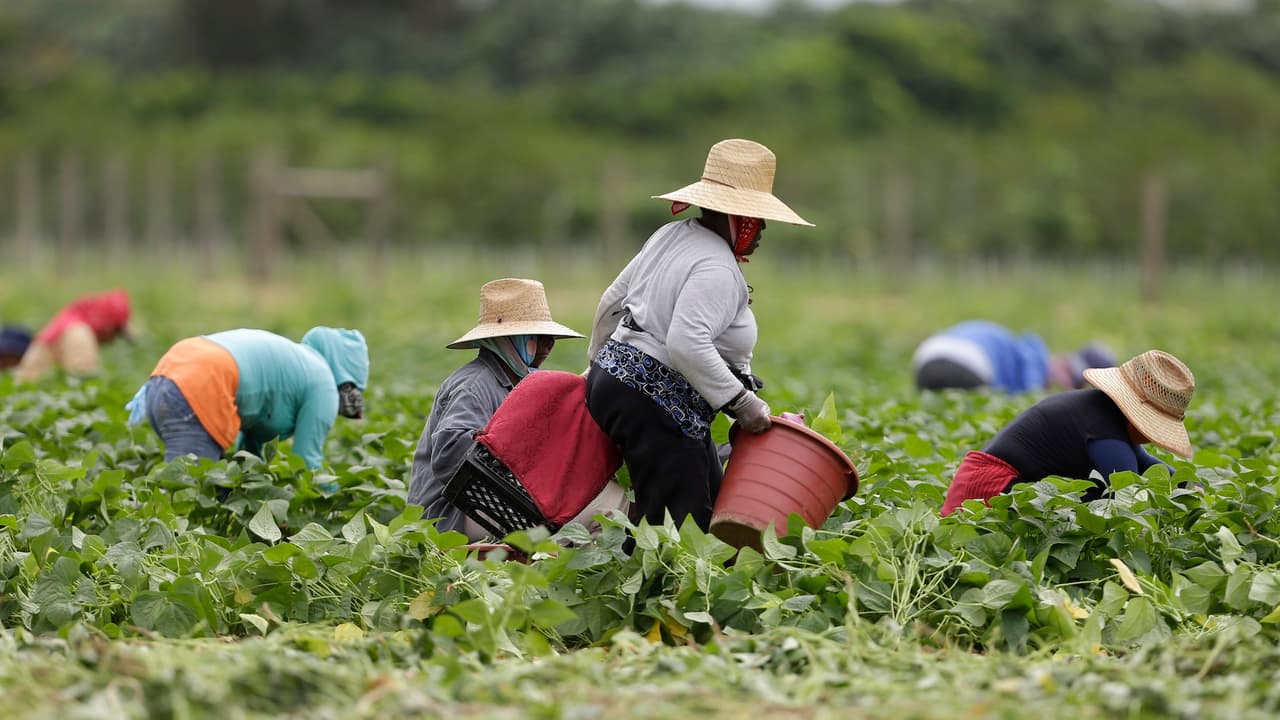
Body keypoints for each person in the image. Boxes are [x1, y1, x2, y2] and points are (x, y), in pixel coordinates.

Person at [585, 138, 813, 531]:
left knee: (708, 503)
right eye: (758, 221)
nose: (761, 233)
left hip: (615, 383)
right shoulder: (718, 268)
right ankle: (657, 589)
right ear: (739, 219)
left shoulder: (670, 235)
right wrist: (744, 404)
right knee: (679, 530)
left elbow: (611, 303)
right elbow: (685, 343)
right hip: (655, 402)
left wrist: (596, 368)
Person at [408, 278, 625, 540]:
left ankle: (555, 571)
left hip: (494, 504)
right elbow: (449, 452)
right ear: (510, 339)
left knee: (606, 496)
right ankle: (558, 576)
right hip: (452, 515)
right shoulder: (474, 384)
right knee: (611, 510)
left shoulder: (519, 382)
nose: (548, 346)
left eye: (551, 339)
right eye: (538, 337)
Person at [941, 349, 1194, 516]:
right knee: (1091, 503)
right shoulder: (1104, 430)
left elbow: (1146, 464)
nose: (1152, 438)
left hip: (988, 481)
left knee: (1078, 502)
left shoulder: (1103, 412)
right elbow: (1124, 495)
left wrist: (1190, 486)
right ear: (1137, 419)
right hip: (986, 490)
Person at [126, 326, 369, 470]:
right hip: (201, 384)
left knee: (200, 486)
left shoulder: (298, 363)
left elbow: (248, 453)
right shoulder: (323, 383)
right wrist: (331, 502)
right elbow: (305, 464)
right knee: (187, 495)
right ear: (346, 379)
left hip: (166, 373)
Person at [913, 320, 1115, 393]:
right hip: (966, 361)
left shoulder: (1018, 348)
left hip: (925, 357)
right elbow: (1032, 395)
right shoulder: (1034, 356)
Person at [14, 289, 133, 382]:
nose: (113, 341)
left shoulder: (72, 325)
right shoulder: (79, 334)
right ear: (108, 327)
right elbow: (82, 378)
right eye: (116, 333)